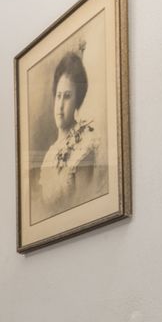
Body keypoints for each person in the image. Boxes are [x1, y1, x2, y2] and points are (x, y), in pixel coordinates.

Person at [31, 49, 106, 220]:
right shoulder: (49, 155)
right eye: (58, 96)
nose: (60, 105)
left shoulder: (85, 146)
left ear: (77, 100)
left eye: (67, 97)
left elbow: (85, 208)